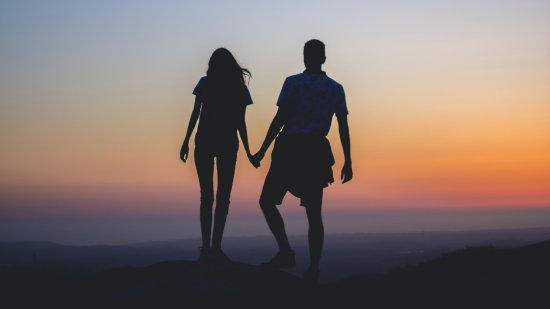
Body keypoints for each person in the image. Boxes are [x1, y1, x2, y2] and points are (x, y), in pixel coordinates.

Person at [251, 39, 353, 283]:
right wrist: (348, 160)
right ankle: (313, 269)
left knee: (267, 201)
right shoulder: (335, 88)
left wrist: (262, 150)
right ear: (324, 59)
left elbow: (280, 119)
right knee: (314, 214)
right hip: (314, 152)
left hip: (289, 148)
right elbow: (343, 128)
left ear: (305, 57)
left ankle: (286, 252)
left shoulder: (293, 83)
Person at [180, 48, 257, 263]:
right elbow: (241, 124)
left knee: (207, 197)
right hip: (226, 145)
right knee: (222, 198)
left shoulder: (205, 83)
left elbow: (195, 114)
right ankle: (215, 248)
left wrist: (186, 141)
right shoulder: (239, 89)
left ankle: (208, 248)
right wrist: (249, 152)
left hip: (204, 142)